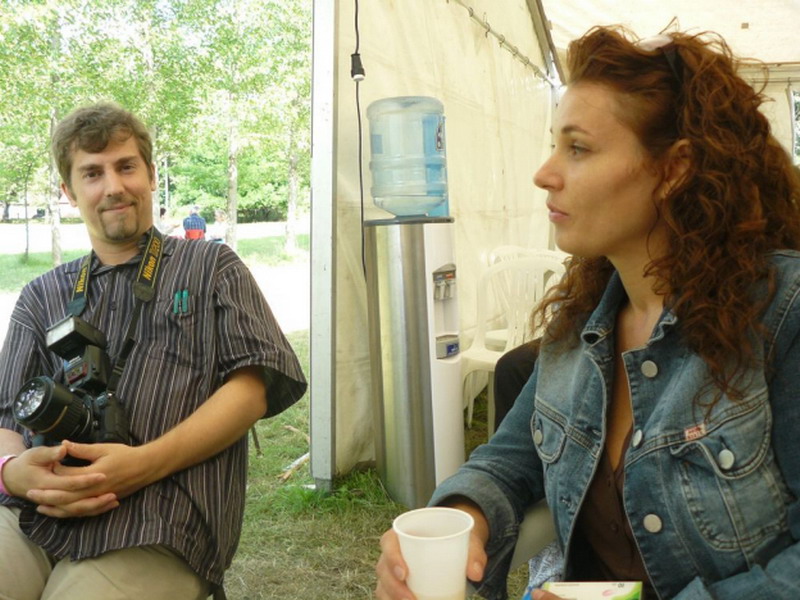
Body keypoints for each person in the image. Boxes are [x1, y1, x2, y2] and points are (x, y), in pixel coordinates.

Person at [376, 24, 800, 600]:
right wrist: (463, 516)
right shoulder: (580, 325)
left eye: (577, 148)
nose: (544, 174)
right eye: (555, 144)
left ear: (674, 169)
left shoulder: (779, 313)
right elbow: (508, 460)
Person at [0, 102, 307, 599]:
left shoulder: (211, 266)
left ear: (150, 175)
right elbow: (6, 416)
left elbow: (254, 387)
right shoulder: (41, 295)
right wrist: (12, 474)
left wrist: (144, 463)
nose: (113, 186)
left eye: (126, 166)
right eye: (92, 173)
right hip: (37, 506)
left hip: (161, 516)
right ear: (68, 192)